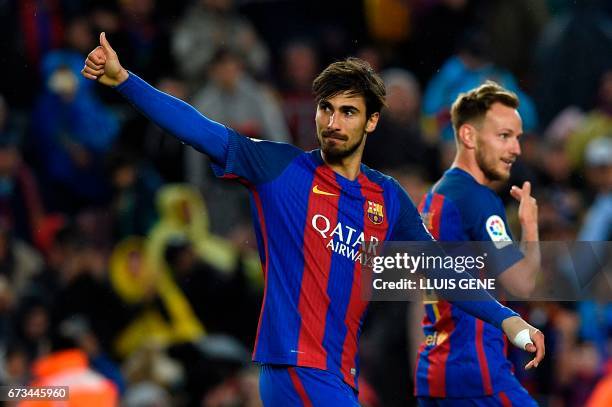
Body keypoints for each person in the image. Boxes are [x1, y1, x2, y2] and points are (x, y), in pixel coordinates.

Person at [82, 33, 544, 406]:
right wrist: (125, 80)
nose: (334, 122)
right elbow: (197, 128)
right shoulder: (278, 169)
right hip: (294, 367)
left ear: (372, 122)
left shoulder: (386, 197)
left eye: (349, 112)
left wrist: (507, 320)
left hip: (338, 374)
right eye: (327, 108)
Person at [415, 81, 541, 406]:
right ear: (469, 136)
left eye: (517, 137)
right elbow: (523, 283)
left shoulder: (435, 196)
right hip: (477, 375)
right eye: (504, 136)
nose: (516, 149)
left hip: (436, 373)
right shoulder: (478, 200)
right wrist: (530, 226)